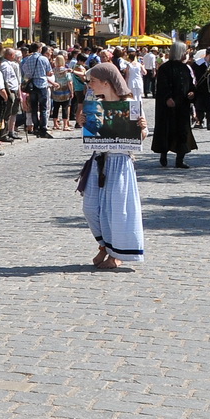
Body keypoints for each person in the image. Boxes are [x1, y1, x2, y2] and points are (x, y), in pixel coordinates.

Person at [78, 62, 145, 271]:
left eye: (93, 81)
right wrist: (83, 122)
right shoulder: (95, 104)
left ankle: (116, 254)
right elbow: (94, 133)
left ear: (106, 83)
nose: (90, 85)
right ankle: (104, 245)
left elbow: (141, 136)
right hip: (100, 160)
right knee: (91, 207)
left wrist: (142, 128)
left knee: (117, 209)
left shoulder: (130, 103)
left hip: (120, 161)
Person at [152, 41, 198, 168]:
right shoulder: (165, 68)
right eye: (185, 52)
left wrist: (192, 93)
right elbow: (161, 86)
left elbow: (191, 85)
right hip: (168, 107)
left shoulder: (185, 68)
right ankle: (163, 154)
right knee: (166, 130)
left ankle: (180, 159)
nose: (186, 54)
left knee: (182, 131)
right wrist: (167, 98)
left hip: (182, 105)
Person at [22, 44, 54, 138]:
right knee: (43, 108)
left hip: (32, 85)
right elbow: (49, 72)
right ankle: (43, 128)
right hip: (41, 84)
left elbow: (25, 72)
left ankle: (36, 127)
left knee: (34, 108)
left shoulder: (27, 59)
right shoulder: (43, 59)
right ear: (39, 49)